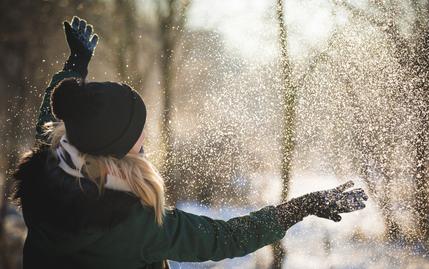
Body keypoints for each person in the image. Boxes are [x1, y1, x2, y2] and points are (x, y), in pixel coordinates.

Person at [11, 17, 368, 269]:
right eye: (137, 137)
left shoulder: (44, 183)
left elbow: (52, 125)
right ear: (114, 153)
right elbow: (225, 237)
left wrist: (74, 68)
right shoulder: (137, 227)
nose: (144, 139)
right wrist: (301, 207)